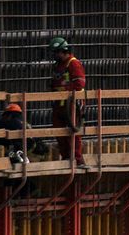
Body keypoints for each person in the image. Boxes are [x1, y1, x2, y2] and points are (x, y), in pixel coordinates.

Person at [48, 37, 86, 166]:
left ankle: (77, 159)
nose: (54, 55)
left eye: (56, 52)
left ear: (63, 51)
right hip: (59, 104)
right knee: (59, 132)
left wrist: (66, 89)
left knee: (73, 132)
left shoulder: (73, 63)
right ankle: (66, 158)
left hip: (72, 104)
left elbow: (80, 83)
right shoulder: (57, 66)